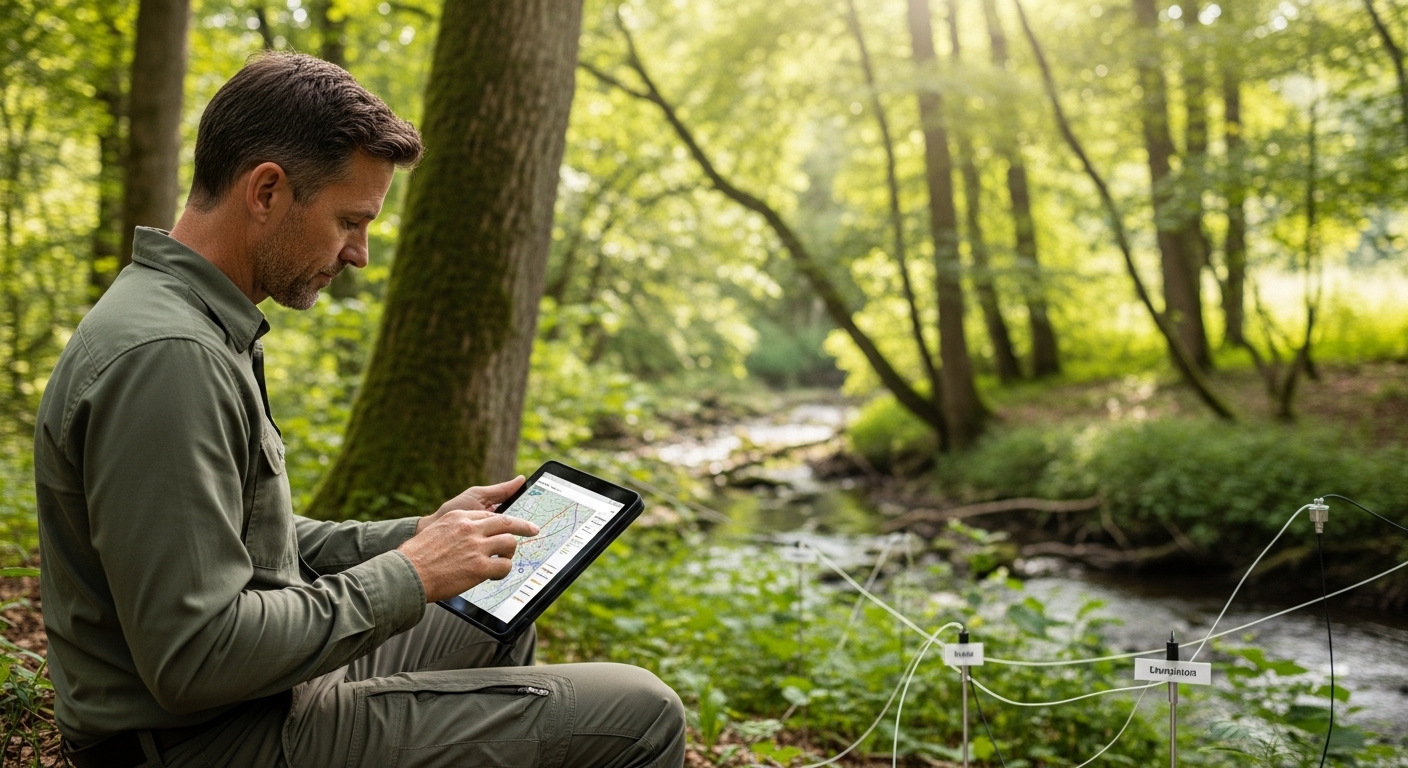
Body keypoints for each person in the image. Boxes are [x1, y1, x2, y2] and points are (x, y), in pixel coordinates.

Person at [35, 51, 685, 768]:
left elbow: (243, 543)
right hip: (206, 741)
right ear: (268, 191)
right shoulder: (170, 357)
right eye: (351, 220)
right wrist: (410, 574)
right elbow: (196, 658)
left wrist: (426, 538)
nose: (361, 254)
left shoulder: (195, 322)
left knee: (488, 613)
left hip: (239, 708)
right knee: (640, 713)